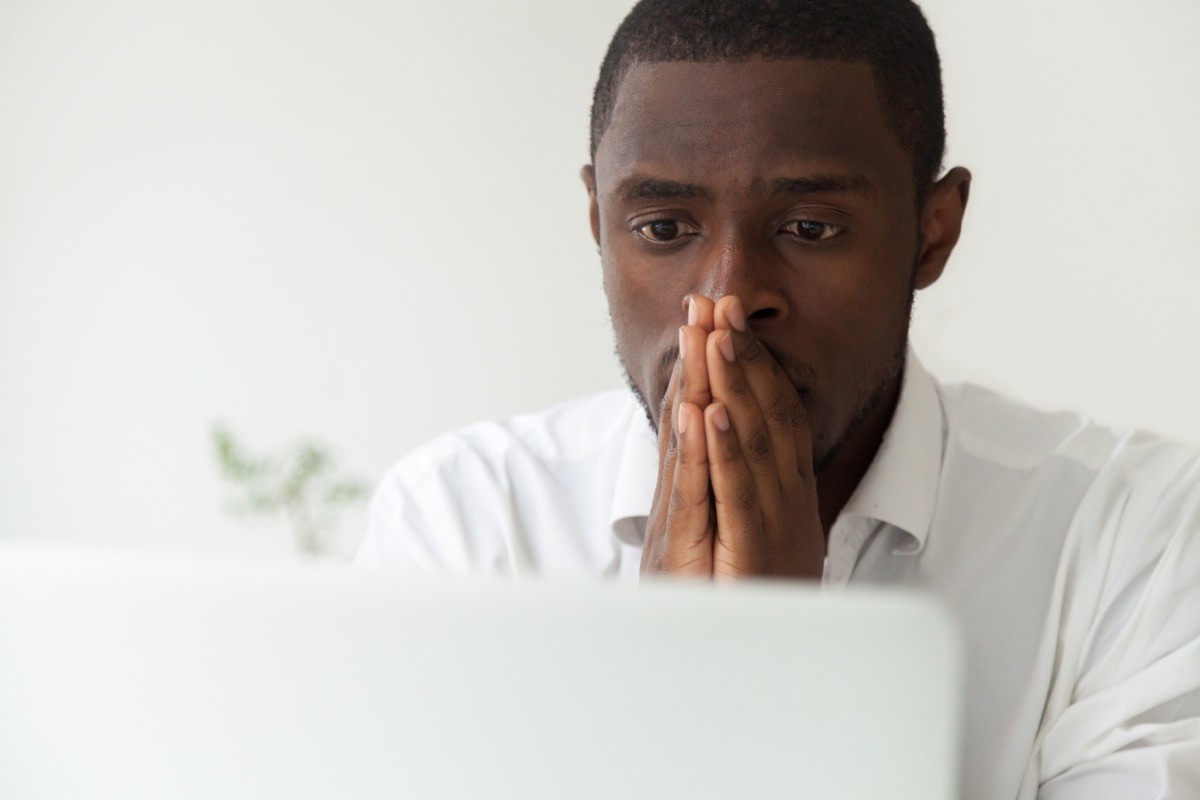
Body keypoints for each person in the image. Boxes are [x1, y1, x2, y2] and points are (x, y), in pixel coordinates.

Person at [355, 0, 1200, 797]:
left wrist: (786, 671)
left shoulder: (1136, 538)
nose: (726, 299)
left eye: (810, 228)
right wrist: (665, 682)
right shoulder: (467, 529)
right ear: (597, 224)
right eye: (662, 229)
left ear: (930, 233)